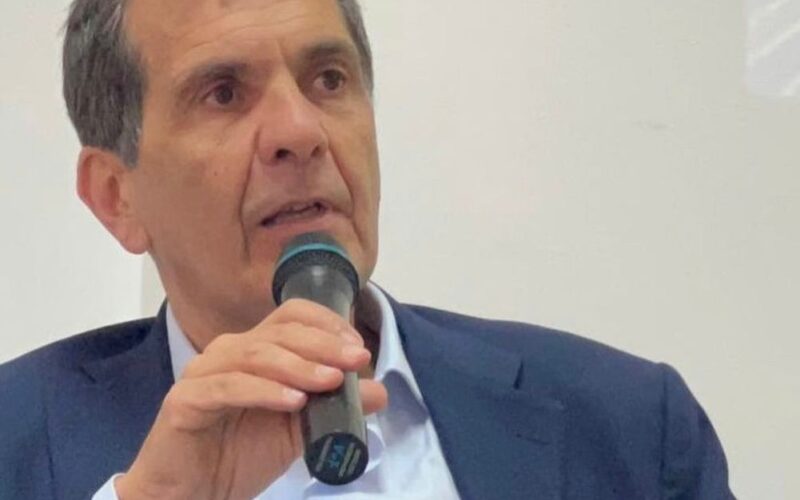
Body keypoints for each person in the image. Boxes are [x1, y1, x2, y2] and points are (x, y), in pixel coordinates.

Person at [0, 0, 735, 498]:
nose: (300, 132)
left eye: (328, 79)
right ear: (117, 198)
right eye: (223, 93)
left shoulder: (628, 425)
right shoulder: (17, 440)